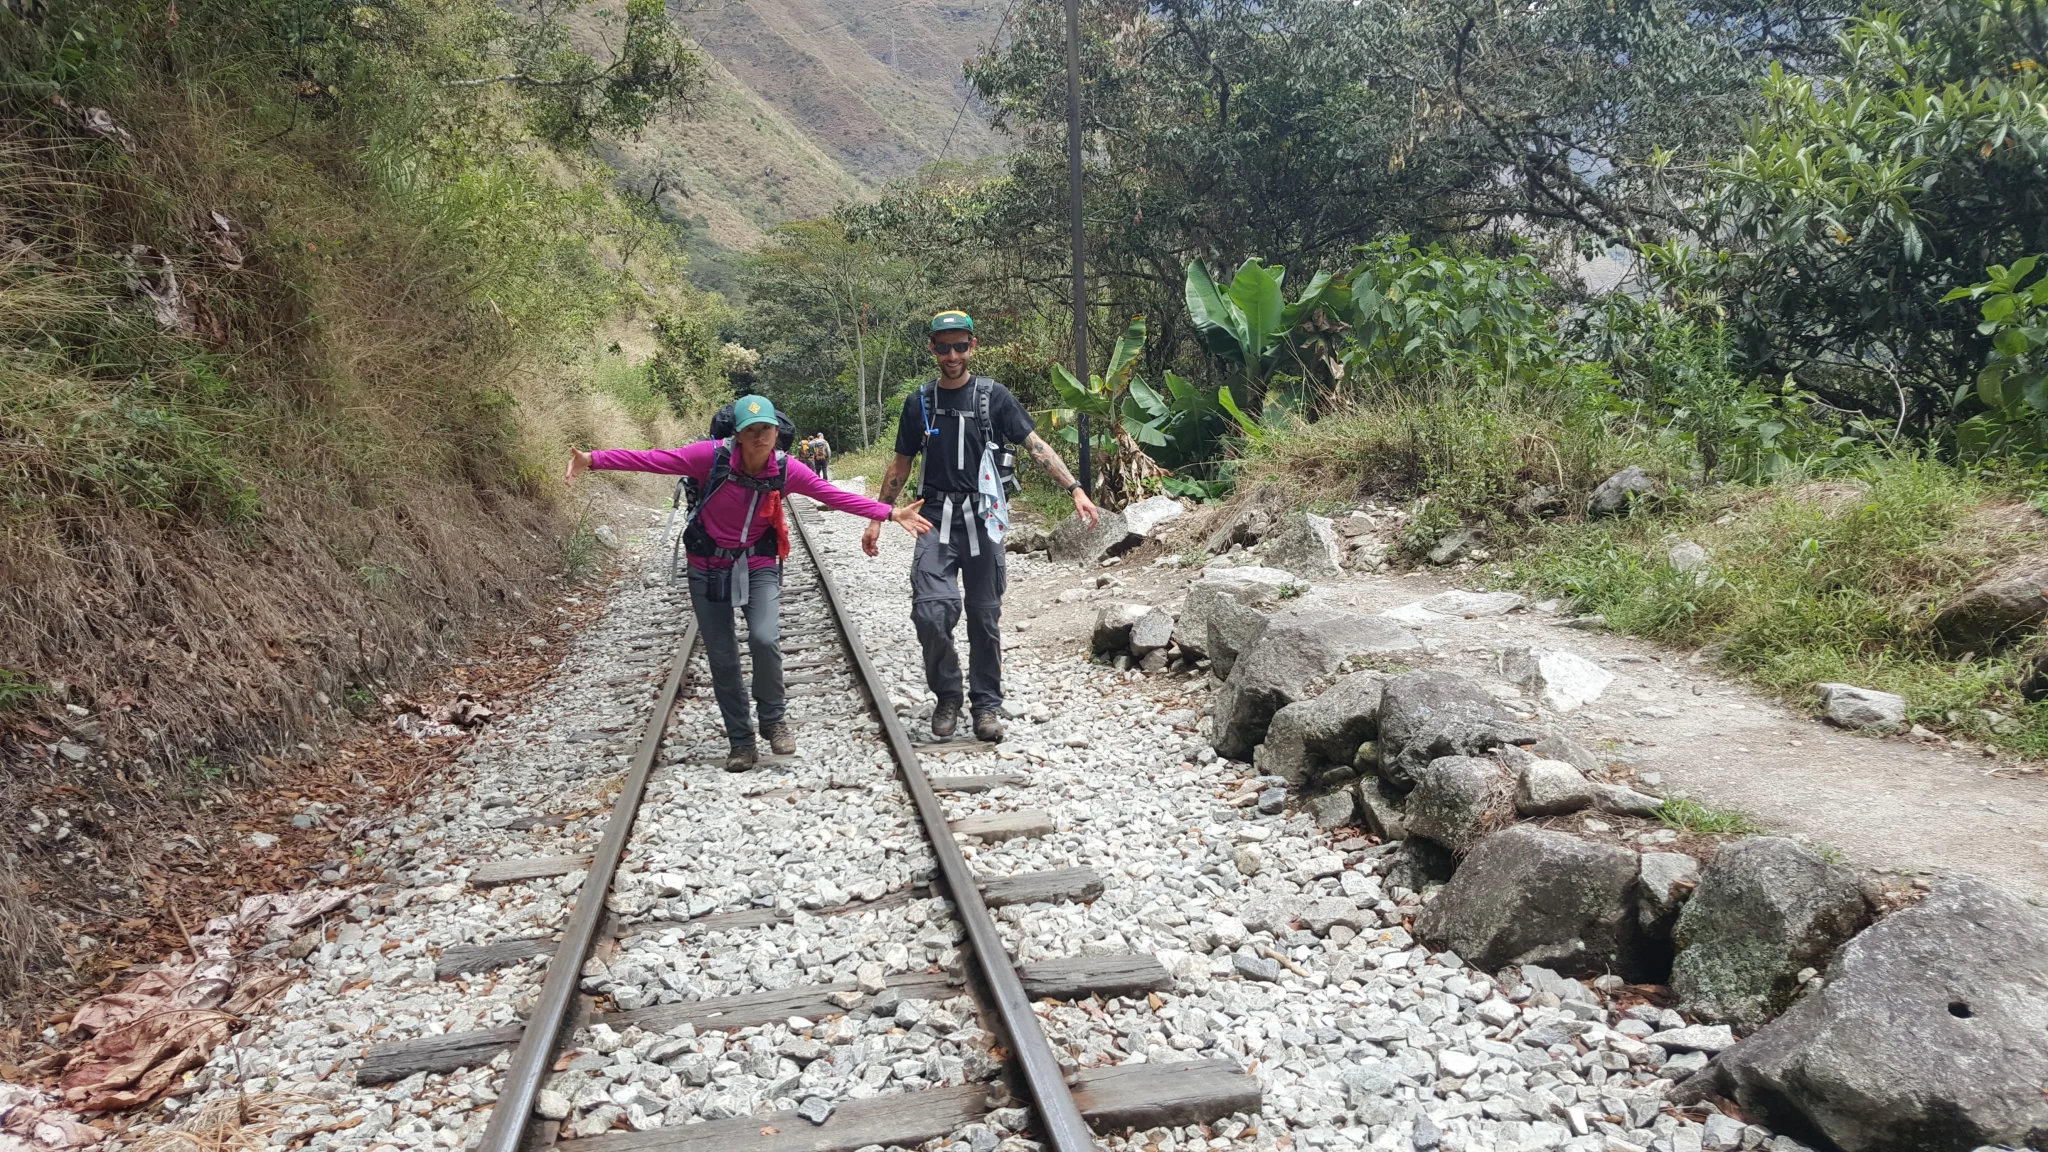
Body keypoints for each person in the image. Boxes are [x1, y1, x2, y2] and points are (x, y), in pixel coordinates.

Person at [567, 396, 930, 771]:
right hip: (708, 566)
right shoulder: (709, 457)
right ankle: (740, 741)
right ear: (737, 435)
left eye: (766, 429)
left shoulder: (786, 468)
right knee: (723, 656)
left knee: (764, 638)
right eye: (751, 430)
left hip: (758, 563)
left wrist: (889, 513)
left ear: (776, 431)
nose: (760, 437)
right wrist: (592, 459)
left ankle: (773, 720)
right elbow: (654, 459)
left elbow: (832, 495)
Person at [863, 311, 1099, 742]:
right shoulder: (919, 403)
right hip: (933, 519)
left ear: (972, 346)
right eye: (943, 347)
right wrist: (879, 515)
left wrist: (1075, 489)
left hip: (984, 520)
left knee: (985, 618)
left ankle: (986, 704)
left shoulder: (994, 397)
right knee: (931, 612)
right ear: (932, 348)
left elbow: (1036, 445)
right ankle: (948, 695)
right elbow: (900, 464)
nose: (952, 355)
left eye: (960, 346)